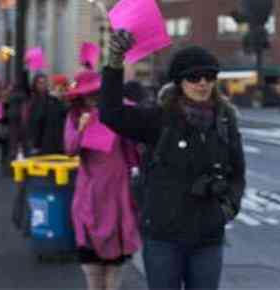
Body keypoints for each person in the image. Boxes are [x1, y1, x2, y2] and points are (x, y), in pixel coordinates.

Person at [99, 33, 246, 290]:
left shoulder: (225, 121)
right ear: (180, 82)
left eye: (209, 77)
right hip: (163, 237)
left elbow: (237, 172)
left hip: (208, 238)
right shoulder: (158, 119)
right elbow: (110, 114)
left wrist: (227, 210)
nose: (203, 83)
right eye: (194, 77)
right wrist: (114, 61)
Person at [64, 70, 141, 290]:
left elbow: (136, 148)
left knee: (115, 270)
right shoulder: (75, 116)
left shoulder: (120, 111)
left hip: (118, 193)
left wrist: (128, 119)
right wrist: (81, 128)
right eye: (89, 95)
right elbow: (69, 149)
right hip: (90, 194)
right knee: (92, 270)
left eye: (98, 94)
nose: (94, 99)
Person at [27, 73, 67, 155]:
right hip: (41, 143)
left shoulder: (53, 100)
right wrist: (35, 144)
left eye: (45, 82)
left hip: (54, 142)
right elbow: (34, 123)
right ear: (35, 84)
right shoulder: (32, 101)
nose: (43, 85)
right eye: (40, 83)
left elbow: (62, 115)